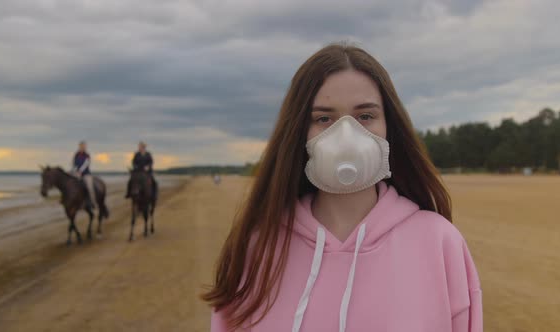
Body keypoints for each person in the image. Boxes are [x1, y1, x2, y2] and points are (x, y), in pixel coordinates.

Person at [203, 43, 482, 331]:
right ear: (299, 131)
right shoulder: (258, 246)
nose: (347, 136)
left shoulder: (440, 242)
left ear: (389, 126)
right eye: (324, 118)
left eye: (365, 116)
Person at [71, 141, 96, 209]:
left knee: (90, 187)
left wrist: (80, 171)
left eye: (83, 146)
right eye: (81, 146)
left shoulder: (87, 155)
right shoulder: (76, 155)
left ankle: (93, 202)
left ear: (85, 147)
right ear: (79, 147)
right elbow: (74, 164)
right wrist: (74, 171)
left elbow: (86, 164)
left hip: (86, 174)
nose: (82, 147)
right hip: (77, 173)